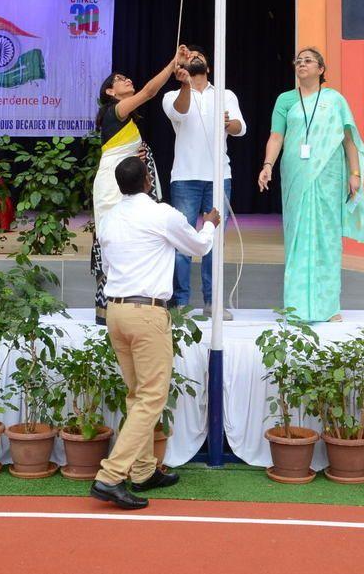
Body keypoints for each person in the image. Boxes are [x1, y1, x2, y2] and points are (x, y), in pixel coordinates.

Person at [90, 155, 220, 510]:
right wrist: (208, 224)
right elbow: (199, 246)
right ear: (149, 179)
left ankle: (144, 469)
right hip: (146, 313)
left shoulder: (109, 218)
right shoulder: (161, 214)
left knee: (137, 394)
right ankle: (111, 475)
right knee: (151, 398)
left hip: (115, 311)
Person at [257, 47, 364, 323]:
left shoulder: (335, 100)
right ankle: (295, 307)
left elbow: (348, 139)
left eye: (308, 61)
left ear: (321, 70)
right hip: (296, 173)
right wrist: (267, 165)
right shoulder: (285, 100)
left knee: (327, 238)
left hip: (329, 176)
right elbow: (276, 136)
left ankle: (328, 307)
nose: (301, 64)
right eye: (298, 61)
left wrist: (354, 173)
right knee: (297, 236)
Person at [91, 45, 189, 323]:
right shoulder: (115, 110)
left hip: (123, 181)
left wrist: (138, 155)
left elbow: (122, 152)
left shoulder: (124, 118)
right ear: (110, 92)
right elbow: (148, 92)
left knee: (136, 237)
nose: (127, 80)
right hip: (112, 185)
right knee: (114, 239)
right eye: (119, 80)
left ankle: (133, 300)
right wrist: (172, 65)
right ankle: (110, 306)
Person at [162, 45, 246, 316]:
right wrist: (185, 82)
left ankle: (212, 302)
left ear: (208, 67)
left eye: (200, 58)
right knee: (182, 241)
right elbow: (181, 112)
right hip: (185, 177)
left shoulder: (226, 94)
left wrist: (227, 124)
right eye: (190, 58)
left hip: (219, 176)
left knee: (214, 241)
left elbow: (240, 128)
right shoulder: (173, 95)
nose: (195, 59)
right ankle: (181, 302)